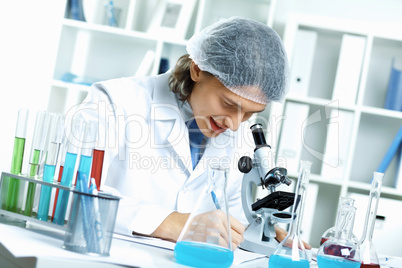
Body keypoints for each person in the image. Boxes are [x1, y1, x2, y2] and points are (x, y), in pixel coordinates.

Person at [77, 16, 301, 250]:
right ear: (197, 69)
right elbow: (76, 190)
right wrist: (172, 223)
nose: (234, 124)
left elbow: (227, 208)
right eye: (228, 103)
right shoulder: (114, 101)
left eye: (249, 113)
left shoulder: (238, 133)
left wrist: (254, 228)